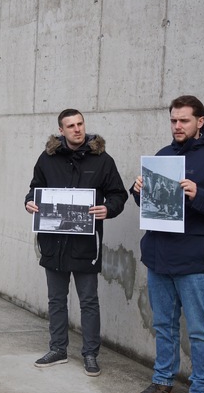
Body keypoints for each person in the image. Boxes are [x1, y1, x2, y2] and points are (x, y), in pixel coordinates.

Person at [128, 96, 204, 393]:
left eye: (184, 120)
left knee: (200, 330)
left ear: (200, 121)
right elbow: (150, 207)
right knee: (164, 325)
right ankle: (164, 384)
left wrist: (199, 194)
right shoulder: (162, 156)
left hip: (196, 261)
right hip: (159, 256)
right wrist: (138, 190)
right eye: (174, 120)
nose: (177, 126)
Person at [24, 109, 127, 376]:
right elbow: (35, 188)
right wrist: (29, 202)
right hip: (53, 243)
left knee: (89, 301)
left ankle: (90, 353)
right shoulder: (46, 159)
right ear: (61, 130)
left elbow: (118, 193)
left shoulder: (102, 160)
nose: (77, 129)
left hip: (85, 246)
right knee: (56, 300)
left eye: (80, 124)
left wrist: (109, 208)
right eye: (70, 125)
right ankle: (58, 349)